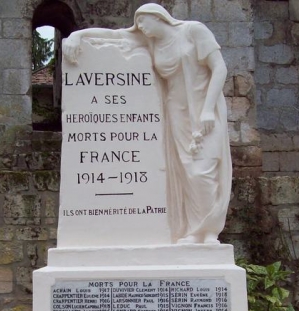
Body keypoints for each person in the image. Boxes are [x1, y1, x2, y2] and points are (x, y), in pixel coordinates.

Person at [63, 4, 232, 244]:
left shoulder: (193, 31)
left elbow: (219, 68)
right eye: (137, 23)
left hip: (204, 109)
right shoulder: (151, 42)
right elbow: (115, 35)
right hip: (176, 110)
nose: (140, 27)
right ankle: (196, 231)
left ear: (158, 17)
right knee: (186, 170)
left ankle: (210, 231)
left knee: (202, 170)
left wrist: (207, 109)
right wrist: (77, 35)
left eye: (143, 22)